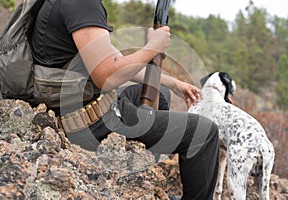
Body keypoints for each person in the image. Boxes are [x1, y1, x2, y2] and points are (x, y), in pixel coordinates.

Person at [30, 0, 219, 199]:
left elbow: (117, 61)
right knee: (203, 133)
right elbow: (107, 76)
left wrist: (174, 83)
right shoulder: (82, 4)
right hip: (91, 122)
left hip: (91, 105)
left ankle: (145, 176)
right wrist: (154, 46)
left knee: (162, 93)